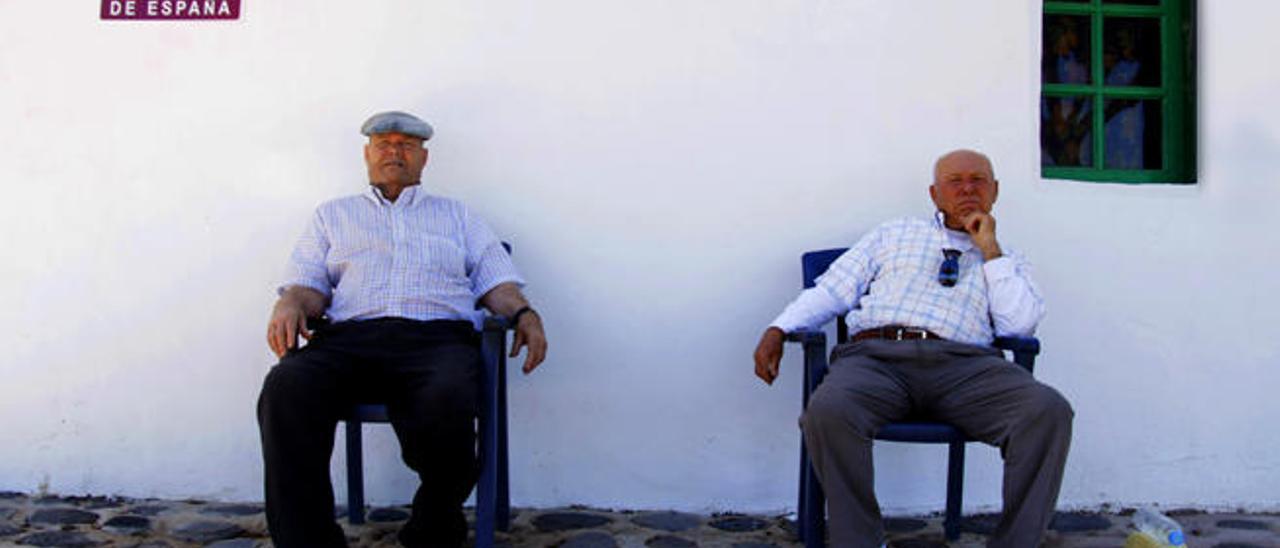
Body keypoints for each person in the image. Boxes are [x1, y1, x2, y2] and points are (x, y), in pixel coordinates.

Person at [752, 150, 1073, 548]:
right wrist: (779, 329)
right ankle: (860, 542)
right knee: (829, 411)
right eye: (955, 181)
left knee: (1047, 410)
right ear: (935, 194)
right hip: (876, 360)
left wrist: (990, 251)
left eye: (978, 180)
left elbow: (1020, 326)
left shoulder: (1008, 260)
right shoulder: (894, 233)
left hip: (967, 369)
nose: (968, 188)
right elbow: (833, 290)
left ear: (995, 191)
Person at [257, 111, 548, 548]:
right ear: (367, 154)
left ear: (423, 158)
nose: (395, 152)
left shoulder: (458, 217)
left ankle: (433, 529)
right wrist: (290, 302)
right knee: (286, 388)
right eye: (384, 144)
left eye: (406, 145)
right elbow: (307, 284)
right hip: (349, 342)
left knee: (449, 397)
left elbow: (497, 282)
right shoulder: (332, 216)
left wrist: (526, 315)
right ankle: (308, 541)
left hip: (436, 342)